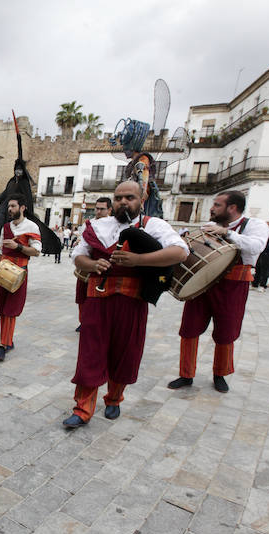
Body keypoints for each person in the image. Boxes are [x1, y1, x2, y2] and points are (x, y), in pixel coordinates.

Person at [62, 181, 188, 429]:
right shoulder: (97, 226)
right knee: (90, 353)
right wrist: (92, 265)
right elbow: (78, 255)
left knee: (125, 352)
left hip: (133, 302)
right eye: (118, 198)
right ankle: (83, 408)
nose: (123, 202)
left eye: (129, 197)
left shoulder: (154, 225)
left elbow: (180, 252)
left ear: (142, 199)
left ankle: (114, 399)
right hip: (97, 300)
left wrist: (139, 259)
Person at [167, 190, 268, 393]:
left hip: (233, 286)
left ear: (232, 208)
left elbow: (257, 247)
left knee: (226, 331)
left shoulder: (254, 225)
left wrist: (228, 234)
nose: (212, 208)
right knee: (189, 328)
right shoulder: (210, 226)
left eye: (217, 205)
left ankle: (220, 374)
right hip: (203, 282)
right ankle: (186, 374)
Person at [0, 194, 41, 361]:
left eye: (13, 206)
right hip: (3, 270)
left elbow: (37, 251)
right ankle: (8, 341)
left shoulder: (32, 227)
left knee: (11, 310)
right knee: (3, 309)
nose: (9, 209)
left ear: (22, 207)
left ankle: (3, 344)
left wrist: (18, 246)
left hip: (19, 272)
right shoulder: (6, 227)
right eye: (8, 207)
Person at [75, 198, 112, 333]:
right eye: (97, 208)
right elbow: (83, 240)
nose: (98, 211)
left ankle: (94, 321)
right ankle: (82, 321)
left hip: (102, 266)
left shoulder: (112, 225)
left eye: (102, 209)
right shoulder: (88, 224)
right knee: (81, 295)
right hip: (87, 264)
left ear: (109, 210)